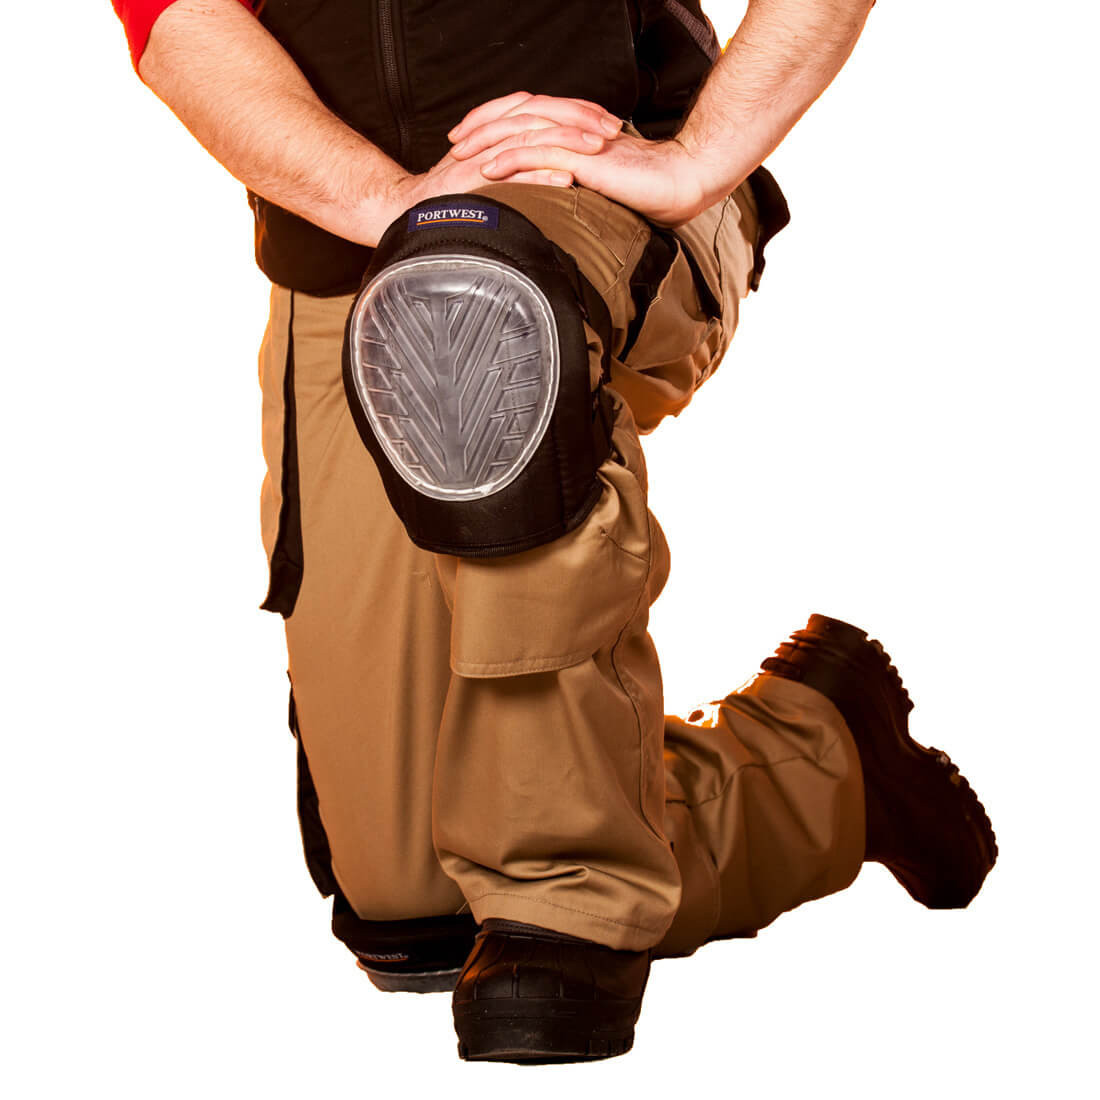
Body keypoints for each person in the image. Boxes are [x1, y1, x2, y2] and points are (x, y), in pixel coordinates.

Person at [111, 0, 997, 1064]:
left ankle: (573, 895)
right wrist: (388, 199)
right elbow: (177, 21)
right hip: (345, 235)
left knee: (472, 293)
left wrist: (697, 160)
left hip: (600, 189)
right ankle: (824, 759)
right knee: (417, 905)